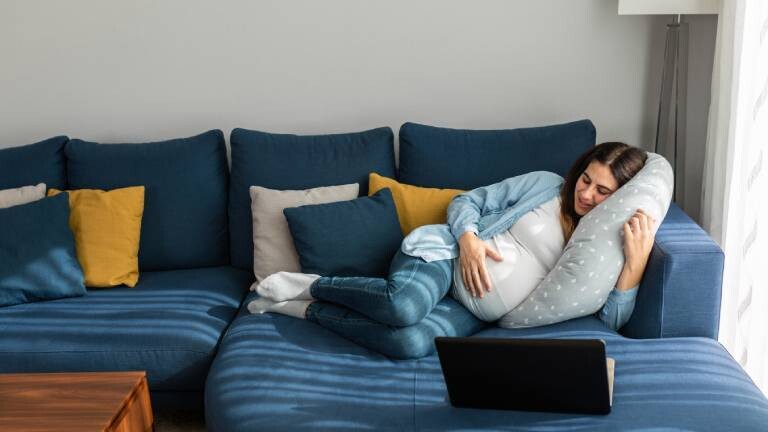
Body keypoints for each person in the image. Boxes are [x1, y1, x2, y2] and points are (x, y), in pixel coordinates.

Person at [249, 142, 656, 359]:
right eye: (585, 178)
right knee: (403, 307)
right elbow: (467, 203)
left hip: (471, 310)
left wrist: (634, 267)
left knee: (408, 345)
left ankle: (303, 307)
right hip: (443, 257)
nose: (585, 193)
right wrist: (469, 241)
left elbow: (610, 320)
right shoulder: (546, 186)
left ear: (620, 199)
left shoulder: (600, 245)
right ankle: (316, 285)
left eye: (602, 191)